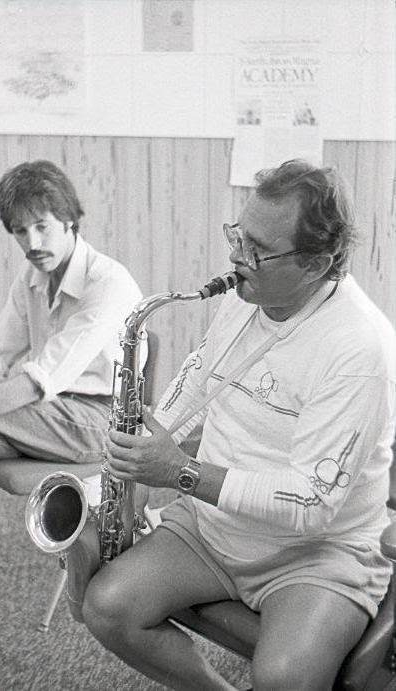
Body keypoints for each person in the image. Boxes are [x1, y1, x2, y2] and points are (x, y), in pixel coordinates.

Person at [81, 159, 396, 691]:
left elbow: (312, 505)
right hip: (212, 526)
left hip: (318, 554)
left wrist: (179, 472)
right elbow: (198, 387)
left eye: (257, 249)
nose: (236, 258)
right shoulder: (243, 297)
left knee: (284, 680)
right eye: (238, 236)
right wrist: (140, 457)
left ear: (317, 264)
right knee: (107, 607)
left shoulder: (358, 348)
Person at [0, 160, 146, 628]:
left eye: (42, 227)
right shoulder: (32, 278)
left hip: (101, 422)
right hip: (49, 412)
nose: (32, 244)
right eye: (20, 231)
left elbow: (36, 380)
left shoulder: (109, 282)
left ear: (69, 221)